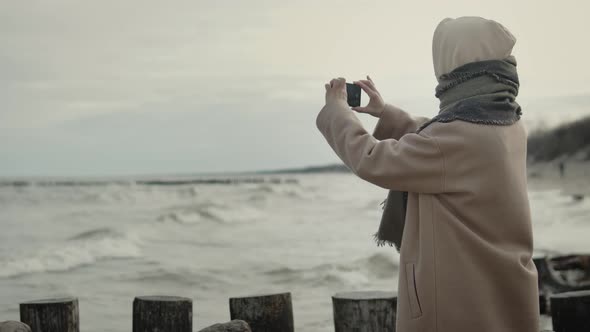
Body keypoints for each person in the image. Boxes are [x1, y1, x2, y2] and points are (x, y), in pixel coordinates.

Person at [316, 16, 539, 332]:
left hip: (453, 301)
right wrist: (386, 112)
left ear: (453, 65)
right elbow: (443, 143)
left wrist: (337, 111)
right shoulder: (509, 123)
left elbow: (372, 159)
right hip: (504, 287)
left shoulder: (451, 139)